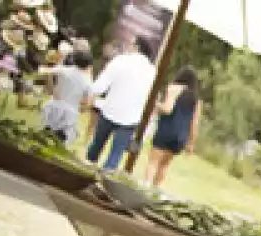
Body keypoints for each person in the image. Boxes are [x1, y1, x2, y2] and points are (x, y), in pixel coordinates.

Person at [84, 33, 155, 172]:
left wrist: (90, 92)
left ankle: (85, 171)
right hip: (131, 117)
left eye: (130, 43)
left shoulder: (120, 60)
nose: (127, 46)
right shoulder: (152, 70)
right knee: (116, 155)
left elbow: (100, 86)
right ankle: (104, 181)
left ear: (136, 47)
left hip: (110, 110)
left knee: (96, 147)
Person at [145, 66, 200, 188]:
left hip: (166, 129)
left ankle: (145, 187)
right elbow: (194, 123)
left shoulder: (174, 88)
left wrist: (155, 104)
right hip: (180, 136)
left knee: (153, 162)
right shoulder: (196, 99)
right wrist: (191, 143)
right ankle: (155, 190)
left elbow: (167, 109)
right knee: (164, 166)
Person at [35, 42, 91, 144]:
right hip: (70, 111)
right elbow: (86, 103)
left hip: (55, 105)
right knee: (60, 139)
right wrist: (80, 108)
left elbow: (43, 70)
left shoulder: (64, 70)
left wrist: (51, 86)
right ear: (88, 65)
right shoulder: (88, 81)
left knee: (46, 132)